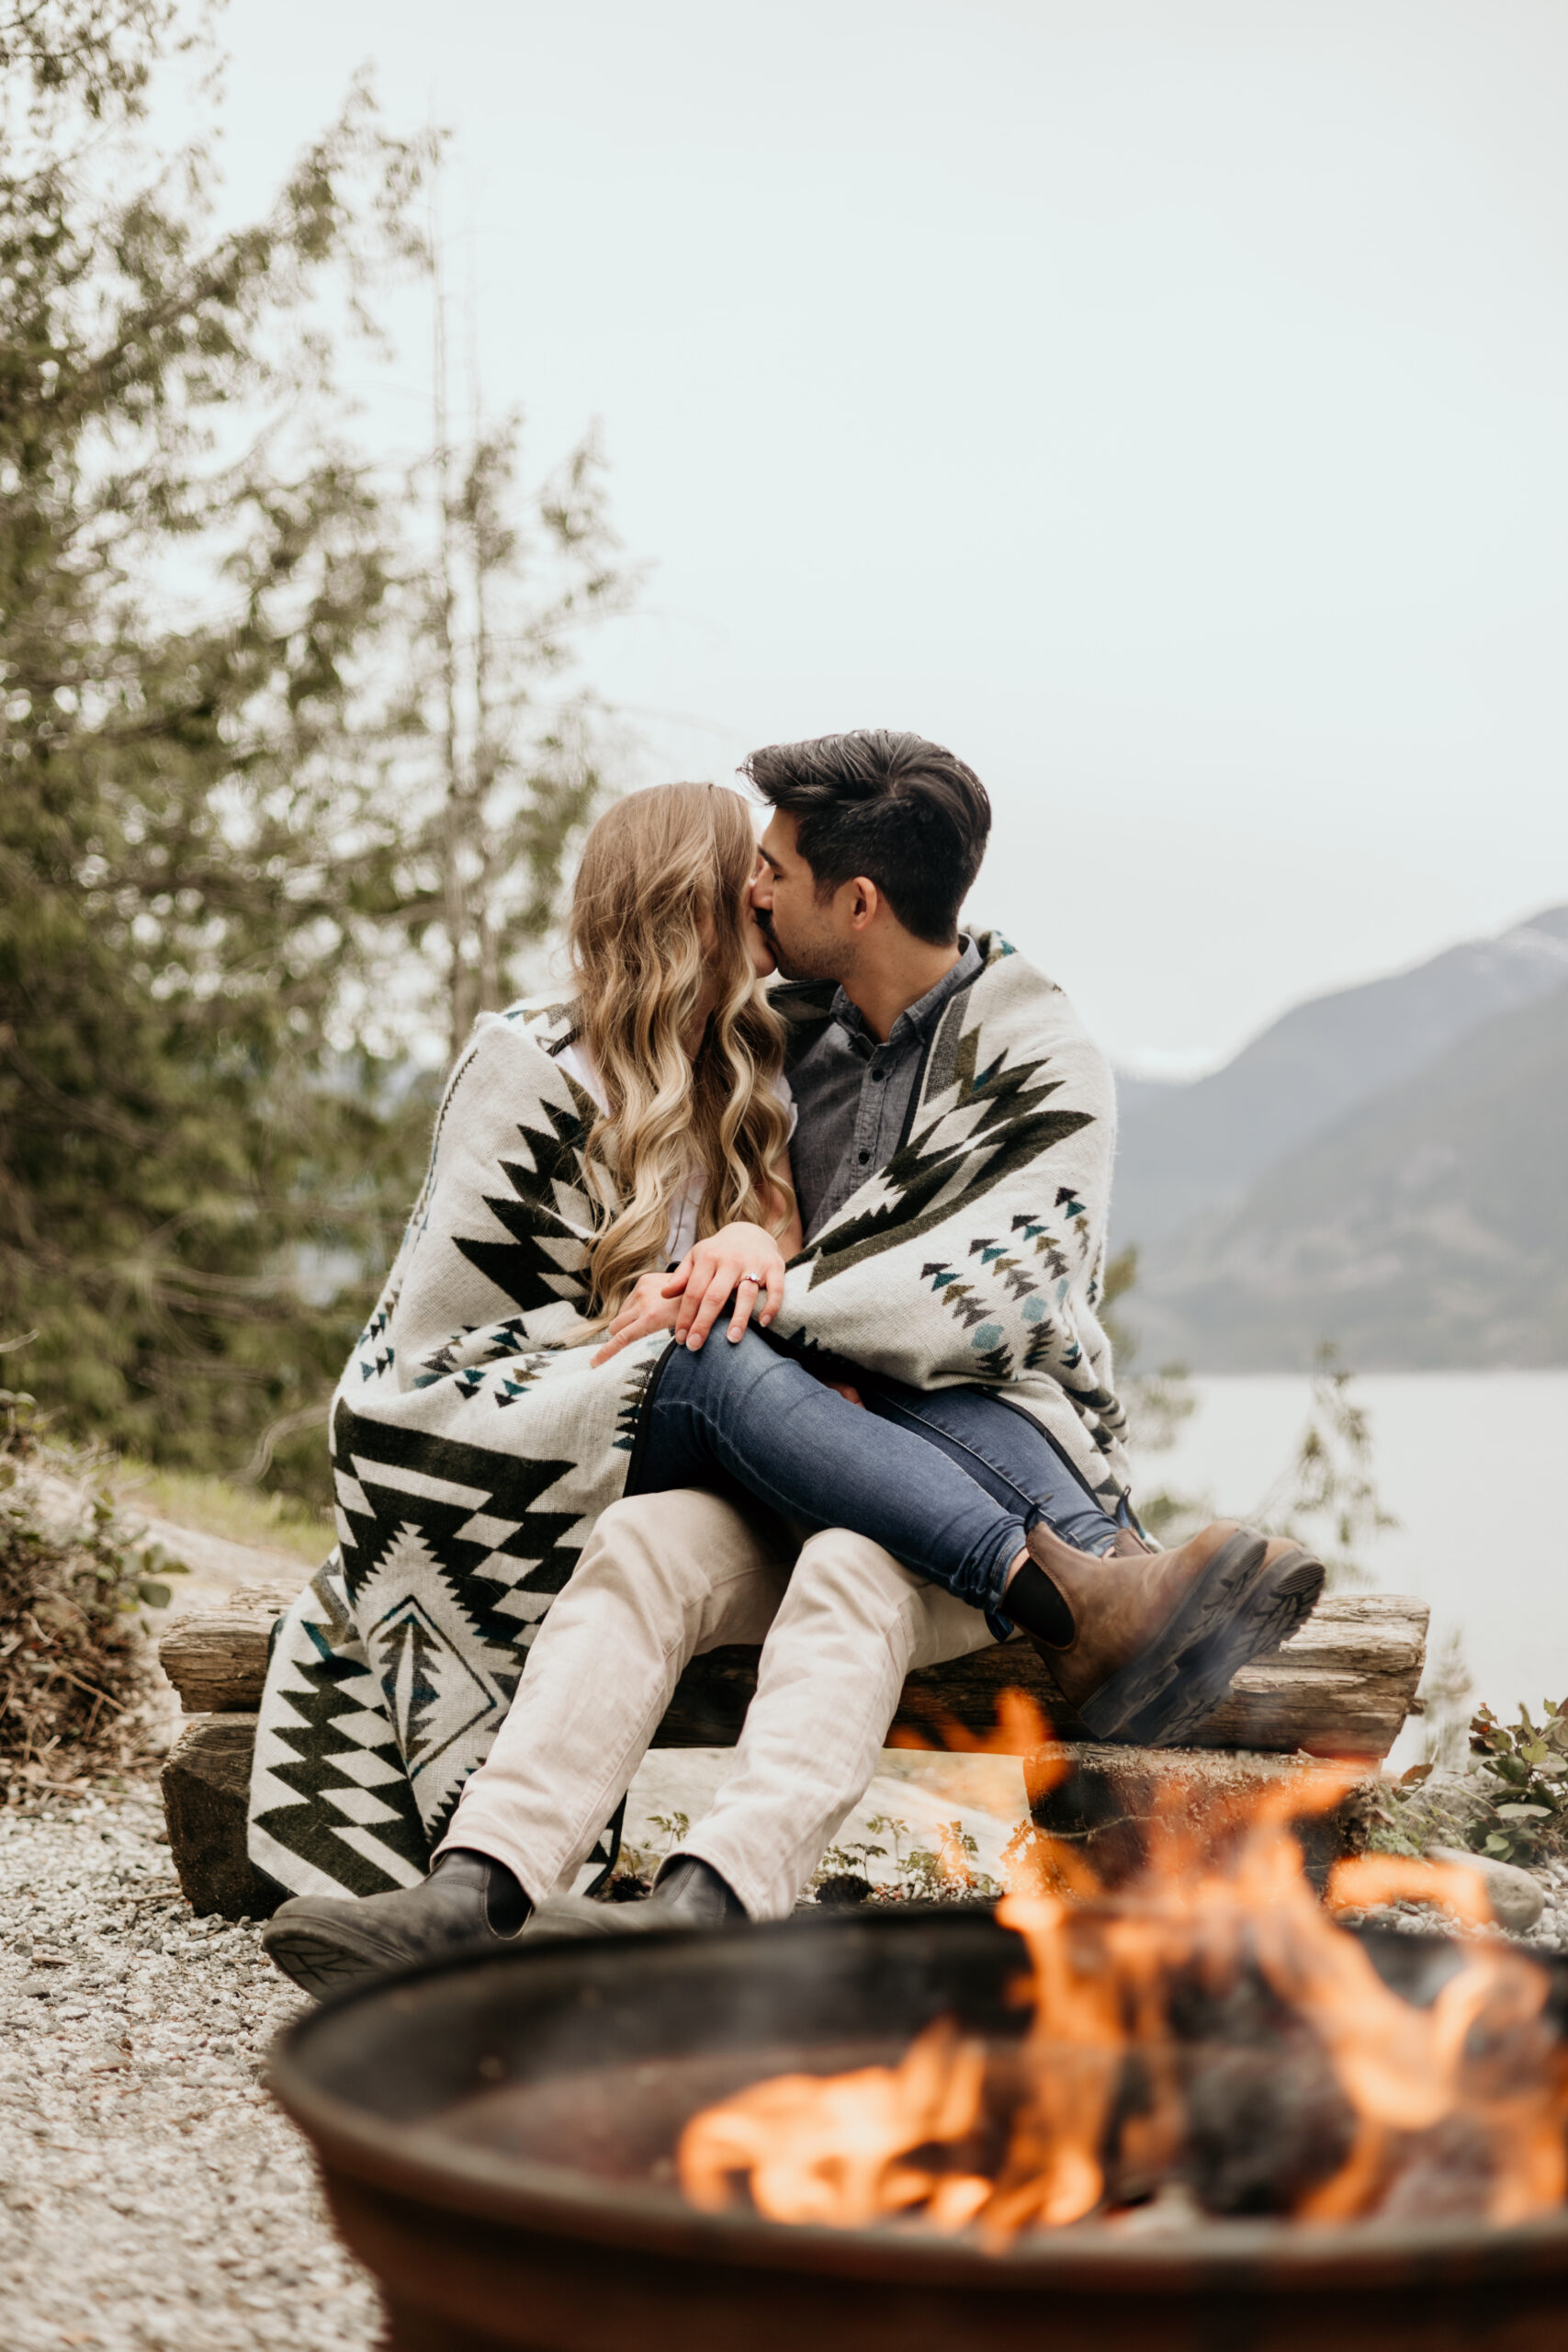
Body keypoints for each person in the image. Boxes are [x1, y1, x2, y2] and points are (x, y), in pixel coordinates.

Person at [258, 739, 1320, 1996]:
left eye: (772, 875)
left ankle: (715, 1900)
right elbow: (525, 1290)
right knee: (647, 1542)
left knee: (846, 1554)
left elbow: (981, 1287)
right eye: (743, 878)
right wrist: (751, 1256)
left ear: (853, 902)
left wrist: (767, 1275)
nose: (758, 897)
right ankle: (471, 1890)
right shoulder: (776, 1045)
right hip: (778, 1453)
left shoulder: (1029, 1053)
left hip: (984, 1466)